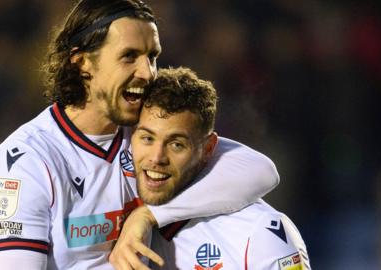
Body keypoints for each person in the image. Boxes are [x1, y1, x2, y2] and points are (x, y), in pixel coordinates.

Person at [0, 0, 279, 269]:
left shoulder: (146, 131)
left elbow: (261, 172)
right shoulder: (26, 162)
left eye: (152, 56)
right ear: (82, 61)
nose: (148, 72)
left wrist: (148, 216)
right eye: (129, 56)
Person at [111, 67, 310, 269]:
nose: (157, 158)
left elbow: (266, 171)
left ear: (208, 148)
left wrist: (148, 215)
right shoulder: (111, 207)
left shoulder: (261, 231)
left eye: (177, 144)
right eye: (147, 138)